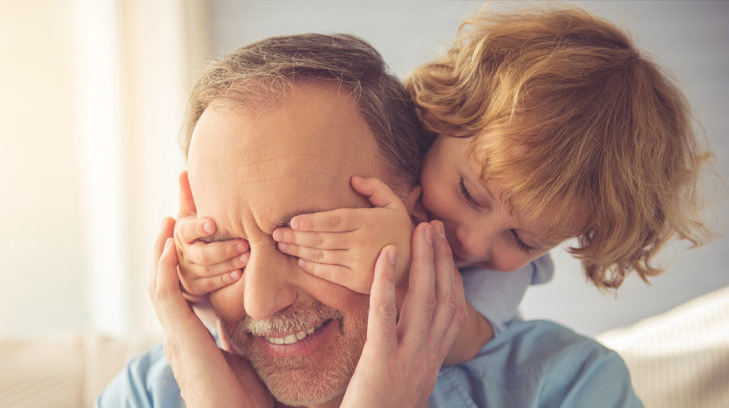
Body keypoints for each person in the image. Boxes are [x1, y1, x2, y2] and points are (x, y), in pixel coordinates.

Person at [76, 33, 658, 408]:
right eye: (226, 241)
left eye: (303, 238)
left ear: (410, 213)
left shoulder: (569, 403)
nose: (259, 302)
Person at [178, 6, 712, 364]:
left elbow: (460, 340)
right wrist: (204, 259)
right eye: (471, 195)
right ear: (439, 119)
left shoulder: (500, 288)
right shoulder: (373, 154)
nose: (473, 243)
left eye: (523, 240)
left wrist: (404, 274)